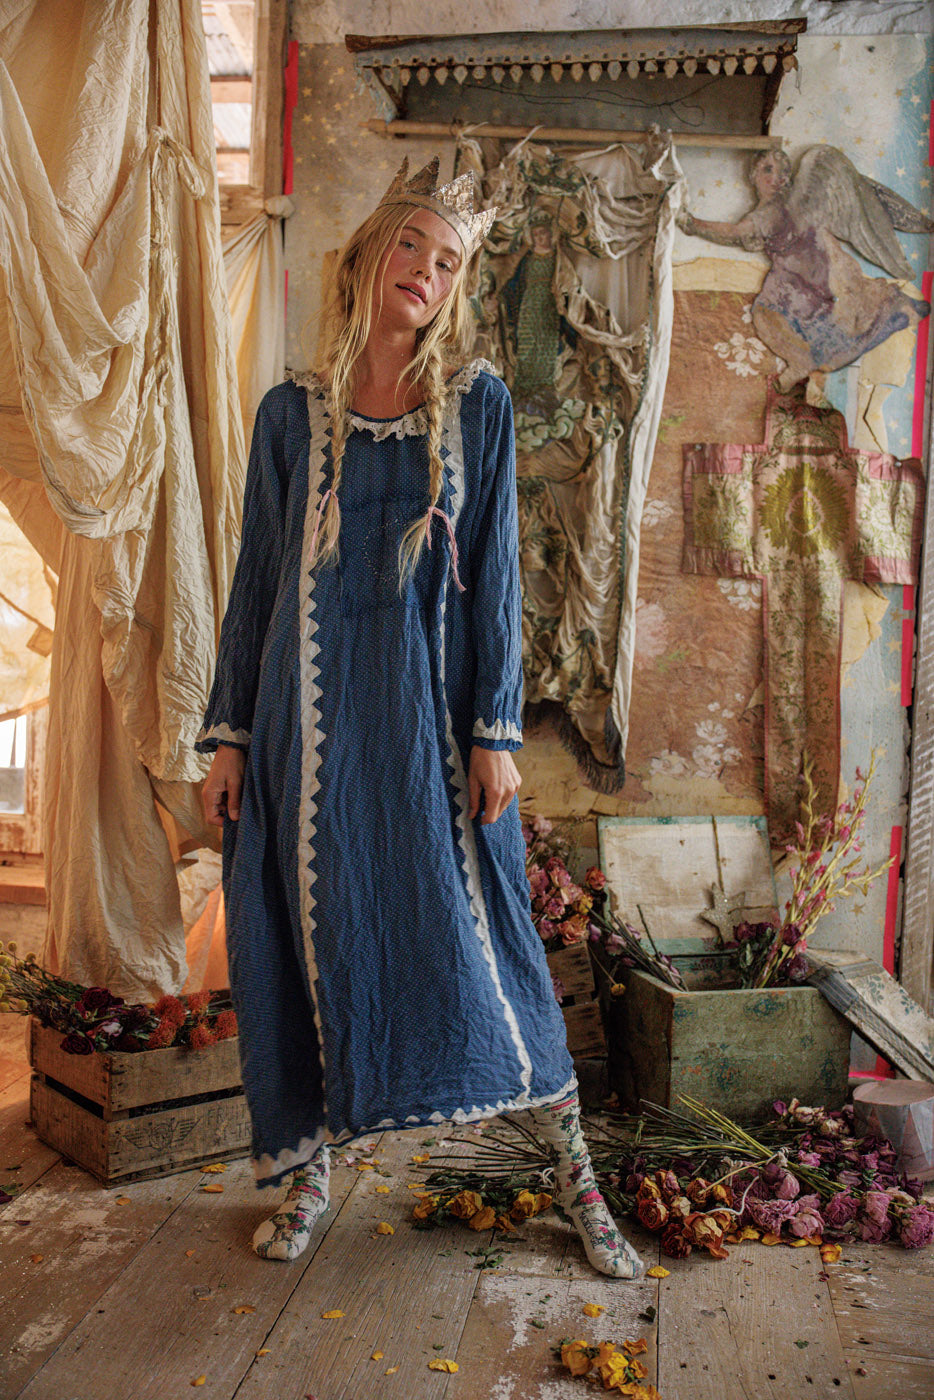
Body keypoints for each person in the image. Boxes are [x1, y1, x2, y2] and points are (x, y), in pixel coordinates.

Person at [196, 157, 643, 1280]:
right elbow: (255, 579)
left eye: (448, 262)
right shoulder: (289, 416)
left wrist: (495, 726)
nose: (428, 272)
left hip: (433, 738)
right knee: (309, 938)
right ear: (367, 256)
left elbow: (495, 573)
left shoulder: (474, 404)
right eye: (412, 247)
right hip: (308, 739)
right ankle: (313, 1175)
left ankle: (576, 1178)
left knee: (488, 939)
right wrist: (230, 735)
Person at [678, 148, 929, 389]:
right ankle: (803, 361)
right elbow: (737, 234)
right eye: (767, 170)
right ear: (752, 175)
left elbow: (734, 233)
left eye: (782, 171)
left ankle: (802, 362)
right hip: (797, 279)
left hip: (811, 276)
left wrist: (692, 224)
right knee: (773, 318)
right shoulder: (775, 210)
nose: (776, 178)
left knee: (770, 314)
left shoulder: (778, 209)